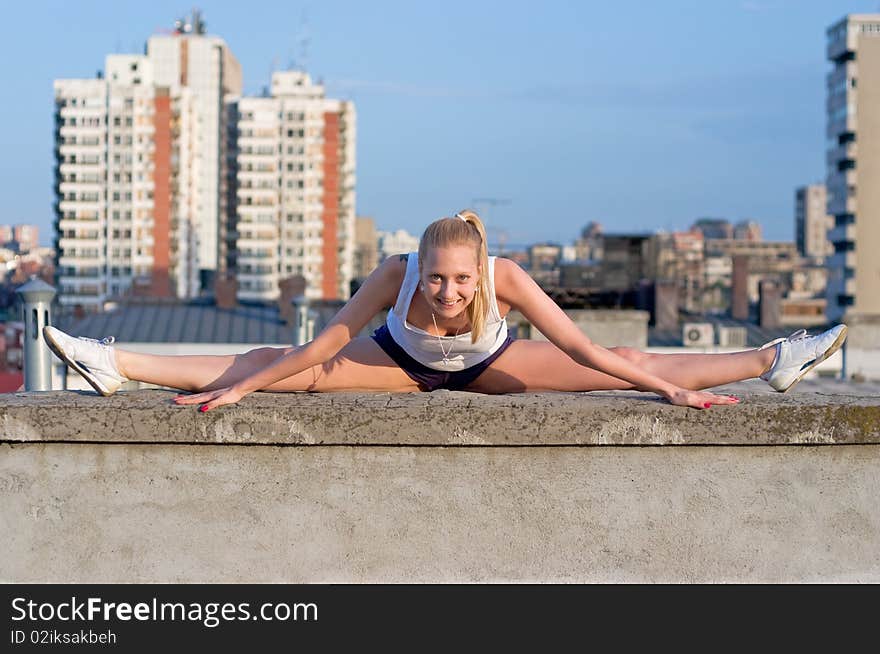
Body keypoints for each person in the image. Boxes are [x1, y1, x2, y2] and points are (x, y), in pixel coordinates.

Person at [43, 210, 847, 412]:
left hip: (491, 366)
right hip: (399, 365)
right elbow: (323, 340)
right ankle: (114, 364)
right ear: (419, 266)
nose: (449, 292)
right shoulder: (394, 273)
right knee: (285, 371)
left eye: (460, 281)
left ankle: (774, 359)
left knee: (636, 369)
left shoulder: (505, 274)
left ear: (477, 269)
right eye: (437, 279)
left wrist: (671, 392)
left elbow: (589, 347)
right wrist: (247, 391)